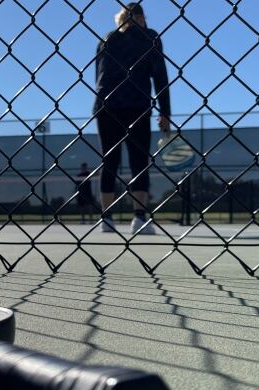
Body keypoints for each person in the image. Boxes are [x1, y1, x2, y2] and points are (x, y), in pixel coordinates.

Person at [93, 3, 171, 235]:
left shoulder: (106, 39)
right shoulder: (150, 37)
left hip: (106, 105)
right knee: (139, 161)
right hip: (136, 104)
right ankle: (139, 217)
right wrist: (165, 111)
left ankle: (106, 219)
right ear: (139, 17)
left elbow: (98, 76)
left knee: (110, 161)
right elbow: (160, 75)